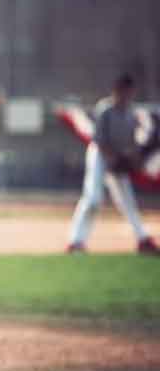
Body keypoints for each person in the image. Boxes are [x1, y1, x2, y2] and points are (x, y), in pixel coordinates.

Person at [67, 74, 158, 254]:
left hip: (118, 158)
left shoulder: (131, 113)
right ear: (115, 91)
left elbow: (131, 143)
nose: (125, 94)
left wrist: (134, 160)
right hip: (100, 156)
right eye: (122, 90)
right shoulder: (105, 110)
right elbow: (100, 141)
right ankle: (76, 241)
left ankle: (142, 239)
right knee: (93, 198)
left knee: (127, 201)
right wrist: (114, 158)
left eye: (128, 90)